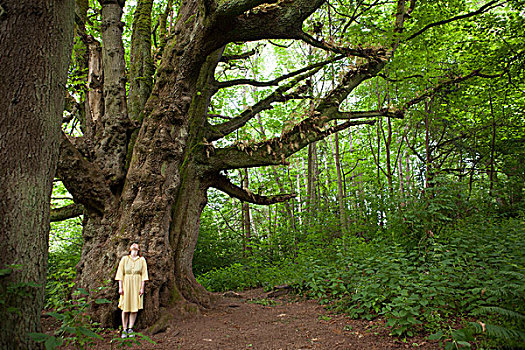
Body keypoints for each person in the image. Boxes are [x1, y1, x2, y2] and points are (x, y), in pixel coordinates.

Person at [115, 243, 149, 338]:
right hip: (126, 285)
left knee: (134, 308)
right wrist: (120, 287)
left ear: (138, 249)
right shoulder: (125, 259)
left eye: (136, 245)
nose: (134, 246)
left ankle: (130, 328)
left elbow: (144, 275)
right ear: (130, 248)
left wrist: (142, 288)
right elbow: (120, 274)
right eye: (132, 245)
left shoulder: (142, 260)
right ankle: (124, 329)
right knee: (125, 308)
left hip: (137, 285)